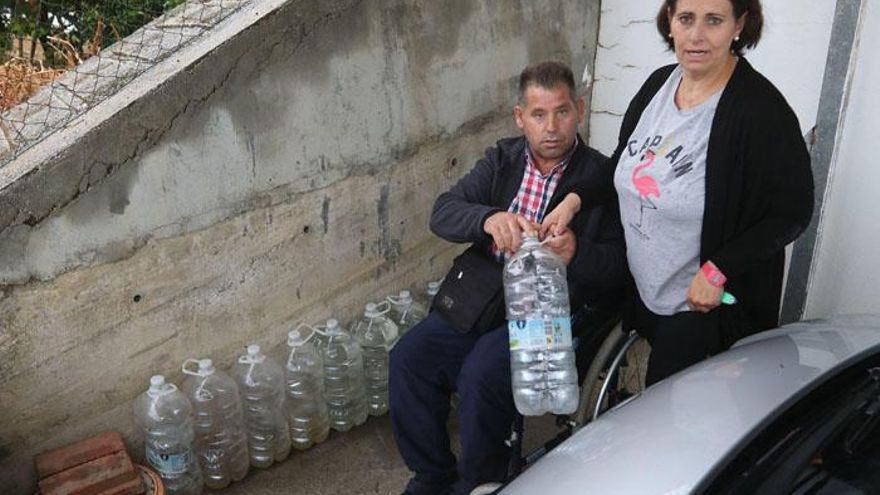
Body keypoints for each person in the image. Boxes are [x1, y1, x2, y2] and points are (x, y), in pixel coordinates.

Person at [541, 0, 814, 386]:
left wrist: (719, 269)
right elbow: (625, 162)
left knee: (668, 417)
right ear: (670, 22)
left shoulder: (760, 111)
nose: (696, 35)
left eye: (714, 20)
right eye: (686, 18)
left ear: (740, 24)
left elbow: (793, 210)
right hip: (644, 288)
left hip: (700, 309)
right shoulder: (659, 84)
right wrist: (573, 200)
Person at [389, 61, 627, 495]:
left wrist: (576, 252)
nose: (551, 127)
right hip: (484, 295)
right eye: (538, 114)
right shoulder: (502, 160)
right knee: (409, 360)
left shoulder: (599, 178)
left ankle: (482, 482)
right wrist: (488, 218)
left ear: (579, 109)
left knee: (481, 374)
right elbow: (443, 211)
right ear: (521, 117)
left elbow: (618, 266)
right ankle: (432, 474)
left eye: (561, 112)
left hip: (547, 307)